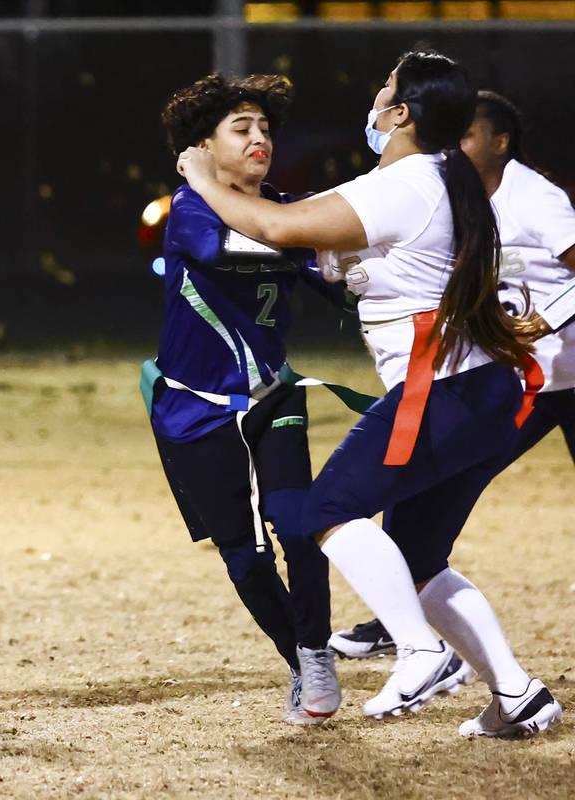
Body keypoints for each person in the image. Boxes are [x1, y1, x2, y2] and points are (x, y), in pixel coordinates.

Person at [176, 51, 562, 739]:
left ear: (403, 114)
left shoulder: (405, 184)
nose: (375, 106)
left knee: (322, 513)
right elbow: (307, 239)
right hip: (480, 392)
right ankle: (518, 694)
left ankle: (420, 651)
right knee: (417, 557)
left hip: (442, 391)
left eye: (384, 95)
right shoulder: (429, 179)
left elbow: (271, 229)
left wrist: (203, 176)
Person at [329, 91, 575, 669]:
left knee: (426, 480)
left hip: (567, 376)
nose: (456, 146)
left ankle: (410, 604)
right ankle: (404, 612)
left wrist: (551, 315)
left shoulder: (531, 195)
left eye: (469, 135)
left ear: (501, 142)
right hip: (524, 385)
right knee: (427, 481)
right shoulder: (458, 196)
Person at [144, 73, 342, 726]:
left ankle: (316, 656)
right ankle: (298, 656)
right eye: (242, 129)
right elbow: (225, 250)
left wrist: (352, 267)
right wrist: (301, 239)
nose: (260, 139)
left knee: (297, 525)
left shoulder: (286, 207)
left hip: (272, 393)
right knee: (246, 558)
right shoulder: (190, 208)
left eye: (265, 129)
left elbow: (338, 287)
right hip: (190, 408)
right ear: (202, 148)